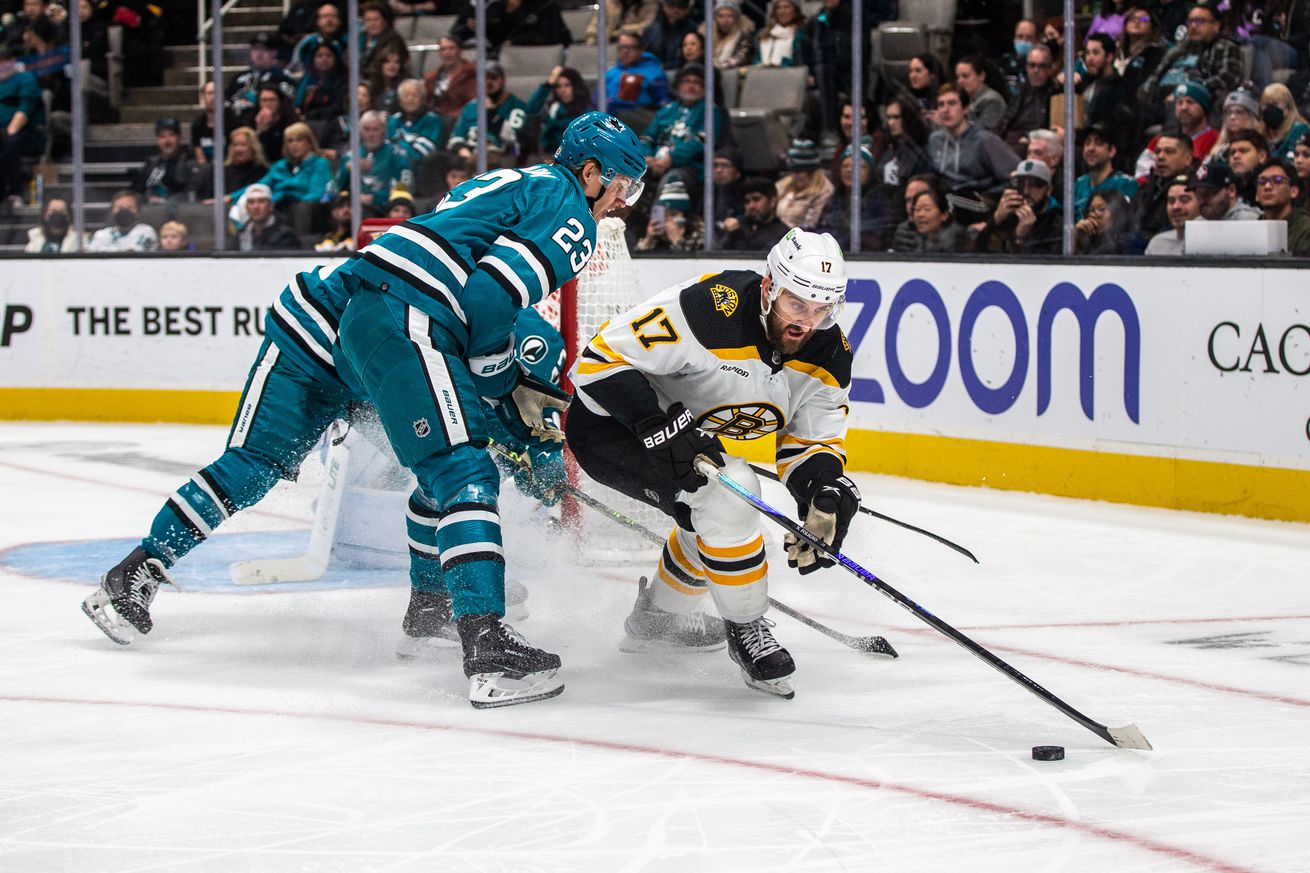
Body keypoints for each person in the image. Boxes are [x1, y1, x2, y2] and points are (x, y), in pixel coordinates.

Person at [82, 111, 650, 712]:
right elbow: (487, 316)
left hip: (369, 318)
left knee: (443, 469)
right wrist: (513, 396)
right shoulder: (565, 220)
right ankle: (485, 645)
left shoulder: (516, 185)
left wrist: (514, 416)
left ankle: (432, 607)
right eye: (624, 186)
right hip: (335, 328)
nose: (624, 204)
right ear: (592, 173)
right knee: (450, 470)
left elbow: (480, 334)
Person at [565, 228, 858, 700]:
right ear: (768, 288)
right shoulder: (709, 308)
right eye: (796, 305)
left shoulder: (830, 354)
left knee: (714, 507)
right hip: (610, 428)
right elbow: (598, 361)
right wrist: (657, 424)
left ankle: (657, 619)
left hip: (685, 437)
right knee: (730, 493)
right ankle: (747, 629)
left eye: (822, 309)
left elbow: (809, 441)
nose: (806, 322)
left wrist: (822, 490)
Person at [1139, 0, 1242, 128]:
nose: (1193, 26)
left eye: (1200, 21)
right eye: (1190, 21)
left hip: (1188, 99)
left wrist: (1186, 92)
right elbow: (1156, 75)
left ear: (1216, 25)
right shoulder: (1179, 49)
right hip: (1159, 99)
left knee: (1179, 107)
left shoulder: (1223, 46)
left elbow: (1229, 77)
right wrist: (1143, 95)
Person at [639, 64, 725, 191]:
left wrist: (671, 158)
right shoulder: (666, 111)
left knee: (673, 179)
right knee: (630, 176)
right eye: (686, 81)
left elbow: (702, 141)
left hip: (690, 166)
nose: (691, 86)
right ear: (678, 86)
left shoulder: (711, 112)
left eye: (697, 82)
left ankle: (664, 211)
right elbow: (646, 137)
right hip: (655, 163)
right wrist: (648, 157)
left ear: (705, 87)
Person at [927, 84, 1020, 198]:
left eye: (952, 103)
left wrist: (988, 197)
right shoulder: (935, 140)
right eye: (941, 104)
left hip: (975, 200)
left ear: (966, 108)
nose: (946, 110)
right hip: (945, 199)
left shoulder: (985, 140)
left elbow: (1017, 175)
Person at [445, 63, 529, 163]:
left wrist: (491, 112)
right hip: (469, 153)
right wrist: (465, 153)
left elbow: (515, 142)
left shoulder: (516, 106)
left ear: (503, 80)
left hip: (498, 155)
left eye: (493, 78)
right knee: (437, 159)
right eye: (485, 78)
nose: (488, 82)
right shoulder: (470, 106)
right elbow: (457, 137)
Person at [335, 109, 413, 215]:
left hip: (385, 207)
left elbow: (406, 185)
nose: (371, 134)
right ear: (360, 132)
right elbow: (336, 188)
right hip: (354, 207)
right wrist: (347, 169)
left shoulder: (397, 154)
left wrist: (376, 198)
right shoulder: (351, 156)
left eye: (375, 130)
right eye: (367, 130)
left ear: (384, 131)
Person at [976, 158, 1062, 254]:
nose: (1026, 191)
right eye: (1021, 183)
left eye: (1034, 184)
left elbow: (1046, 264)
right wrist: (995, 219)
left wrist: (1021, 238)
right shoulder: (1008, 213)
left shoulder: (1056, 222)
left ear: (1048, 189)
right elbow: (976, 252)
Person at [816, 143, 891, 250]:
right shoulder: (833, 200)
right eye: (845, 166)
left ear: (870, 172)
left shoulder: (879, 203)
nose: (849, 170)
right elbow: (823, 230)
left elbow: (874, 238)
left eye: (857, 166)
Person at [0, 43, 45, 208]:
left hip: (25, 133)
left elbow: (25, 108)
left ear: (13, 60)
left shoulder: (26, 78)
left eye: (5, 60)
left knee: (9, 142)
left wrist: (10, 131)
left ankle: (15, 191)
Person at [876, 98, 932, 228]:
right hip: (885, 218)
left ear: (908, 118)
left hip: (907, 219)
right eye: (889, 117)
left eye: (896, 117)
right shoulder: (891, 148)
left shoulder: (918, 152)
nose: (891, 123)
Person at [226, 30, 297, 128]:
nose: (259, 54)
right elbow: (227, 101)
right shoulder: (238, 78)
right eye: (256, 49)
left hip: (272, 126)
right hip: (238, 126)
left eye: (264, 49)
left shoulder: (283, 76)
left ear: (274, 52)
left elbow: (286, 105)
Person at [605, 31, 669, 131]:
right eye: (621, 47)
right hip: (610, 120)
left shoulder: (654, 73)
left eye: (631, 47)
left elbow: (663, 104)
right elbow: (597, 100)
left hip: (639, 121)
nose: (625, 51)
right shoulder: (610, 73)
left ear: (641, 50)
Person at [525, 66, 591, 162]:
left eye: (567, 85)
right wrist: (548, 84)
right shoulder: (553, 109)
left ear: (575, 87)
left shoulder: (586, 113)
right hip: (551, 159)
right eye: (558, 86)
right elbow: (530, 110)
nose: (562, 90)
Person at [1135, 131, 1194, 236]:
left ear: (1187, 159)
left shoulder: (1194, 190)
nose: (1160, 157)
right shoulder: (1146, 188)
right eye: (1158, 152)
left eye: (1169, 152)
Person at [999, 42, 1056, 151]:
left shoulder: (1055, 92)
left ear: (1050, 69)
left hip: (1035, 141)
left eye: (1042, 66)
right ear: (1026, 67)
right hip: (1011, 138)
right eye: (1032, 65)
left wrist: (1029, 137)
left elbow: (1051, 129)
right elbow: (1005, 121)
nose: (1036, 70)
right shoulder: (1020, 90)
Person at [1074, 123, 1139, 217]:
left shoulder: (1126, 183)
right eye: (1087, 143)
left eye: (1098, 143)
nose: (1091, 148)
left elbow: (1126, 221)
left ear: (1111, 151)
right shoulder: (1079, 184)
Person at [1254, 157, 1310, 254]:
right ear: (1256, 195)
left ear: (1293, 191)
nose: (1267, 187)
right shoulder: (1252, 229)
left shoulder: (1305, 231)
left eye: (1277, 180)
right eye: (1262, 181)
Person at [774, 138, 834, 228]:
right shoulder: (784, 185)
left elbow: (810, 225)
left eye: (799, 172)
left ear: (811, 172)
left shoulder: (824, 191)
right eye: (792, 171)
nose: (794, 176)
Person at [388, 77, 447, 167]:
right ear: (399, 101)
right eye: (406, 95)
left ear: (423, 99)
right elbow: (384, 150)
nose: (410, 99)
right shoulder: (393, 120)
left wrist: (398, 143)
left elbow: (421, 154)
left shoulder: (433, 121)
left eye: (415, 95)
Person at [228, 183, 302, 251]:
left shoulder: (286, 235)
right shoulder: (241, 234)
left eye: (261, 201)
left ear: (271, 206)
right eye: (251, 202)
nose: (256, 206)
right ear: (246, 208)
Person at [721, 175, 789, 249]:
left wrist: (737, 235)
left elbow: (752, 257)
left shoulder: (782, 235)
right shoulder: (739, 223)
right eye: (747, 201)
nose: (751, 206)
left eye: (756, 199)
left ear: (772, 201)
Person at [423, 35, 477, 128]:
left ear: (460, 51)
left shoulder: (472, 74)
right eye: (443, 49)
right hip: (435, 121)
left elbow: (472, 105)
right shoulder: (432, 77)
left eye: (451, 48)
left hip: (459, 123)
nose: (447, 53)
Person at [635, 179, 702, 251]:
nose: (668, 218)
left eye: (673, 214)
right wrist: (648, 240)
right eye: (664, 213)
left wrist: (677, 240)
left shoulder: (698, 231)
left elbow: (696, 260)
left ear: (685, 214)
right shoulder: (658, 232)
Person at [1144, 173, 1199, 255]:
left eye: (1184, 200)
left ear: (1200, 203)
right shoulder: (1157, 244)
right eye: (1171, 201)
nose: (1176, 207)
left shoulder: (1212, 242)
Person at [86, 189, 158, 252]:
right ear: (112, 211)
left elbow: (132, 254)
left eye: (129, 208)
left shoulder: (146, 232)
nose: (124, 212)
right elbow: (90, 252)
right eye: (120, 208)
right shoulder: (102, 234)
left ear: (138, 212)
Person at [1191, 160, 1261, 220]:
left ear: (1231, 190)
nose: (1203, 200)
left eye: (1210, 193)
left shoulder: (1250, 219)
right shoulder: (1199, 223)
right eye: (1199, 194)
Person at [1207, 89, 1264, 164]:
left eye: (1239, 112)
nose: (1232, 117)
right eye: (1228, 113)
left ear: (1252, 117)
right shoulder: (1219, 151)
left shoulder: (1261, 148)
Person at [895, 188, 961, 252]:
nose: (920, 215)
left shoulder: (960, 241)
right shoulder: (907, 237)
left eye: (927, 209)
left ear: (944, 215)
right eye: (917, 210)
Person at [1074, 189, 1139, 254]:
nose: (1093, 215)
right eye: (1091, 210)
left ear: (1117, 213)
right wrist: (1076, 237)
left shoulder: (1128, 243)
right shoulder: (1089, 241)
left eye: (1101, 209)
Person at [642, 0, 698, 71]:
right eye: (671, 4)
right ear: (664, 6)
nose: (676, 9)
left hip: (679, 71)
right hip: (652, 70)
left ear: (687, 9)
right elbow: (645, 54)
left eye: (681, 6)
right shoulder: (652, 29)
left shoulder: (693, 29)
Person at [1259, 83, 1310, 161]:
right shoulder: (1259, 133)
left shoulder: (1299, 130)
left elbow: (1290, 161)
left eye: (1275, 104)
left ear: (1287, 108)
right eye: (1266, 105)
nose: (1270, 108)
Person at [955, 55, 1006, 132]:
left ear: (981, 76)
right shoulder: (968, 98)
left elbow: (981, 134)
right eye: (958, 77)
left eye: (965, 76)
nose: (960, 81)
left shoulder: (992, 100)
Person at [754, 0, 808, 67]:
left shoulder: (802, 34)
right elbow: (757, 59)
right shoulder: (764, 34)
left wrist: (782, 64)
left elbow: (800, 62)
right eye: (778, 8)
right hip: (762, 75)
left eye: (786, 7)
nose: (782, 11)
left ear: (795, 11)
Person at [706, 0, 755, 70]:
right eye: (721, 16)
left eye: (730, 16)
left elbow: (739, 59)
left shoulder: (744, 38)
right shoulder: (708, 37)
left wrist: (715, 67)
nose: (725, 20)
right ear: (716, 19)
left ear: (736, 18)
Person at [586, 0, 659, 45]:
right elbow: (594, 24)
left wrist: (622, 30)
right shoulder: (607, 2)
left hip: (636, 44)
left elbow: (648, 24)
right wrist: (591, 40)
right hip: (608, 42)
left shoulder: (650, 3)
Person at [998, 17, 1039, 96]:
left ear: (1037, 40)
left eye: (1029, 37)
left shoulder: (1041, 67)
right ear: (1014, 39)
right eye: (1020, 37)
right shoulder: (1004, 64)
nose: (1024, 41)